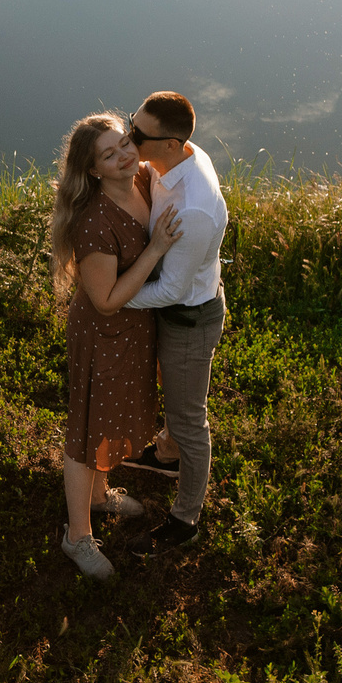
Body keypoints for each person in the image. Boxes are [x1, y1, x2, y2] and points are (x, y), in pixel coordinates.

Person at [48, 111, 185, 579]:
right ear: (93, 170)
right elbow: (104, 301)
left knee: (115, 414)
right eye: (110, 153)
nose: (125, 154)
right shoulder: (94, 223)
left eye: (126, 142)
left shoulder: (144, 179)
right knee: (88, 430)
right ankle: (77, 537)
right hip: (104, 333)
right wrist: (156, 250)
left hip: (137, 327)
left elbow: (181, 148)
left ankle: (102, 495)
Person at [118, 90, 228, 550]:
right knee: (174, 395)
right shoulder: (174, 158)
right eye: (131, 122)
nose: (129, 136)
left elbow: (171, 292)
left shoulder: (194, 207)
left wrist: (113, 299)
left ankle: (185, 520)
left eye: (137, 134)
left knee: (189, 419)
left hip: (187, 318)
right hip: (175, 311)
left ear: (168, 143)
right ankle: (165, 456)